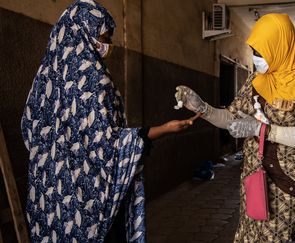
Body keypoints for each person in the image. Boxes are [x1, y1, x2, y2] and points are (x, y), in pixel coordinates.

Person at [20, 0, 196, 242]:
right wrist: (165, 129)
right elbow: (107, 145)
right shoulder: (93, 78)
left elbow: (29, 129)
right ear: (84, 32)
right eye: (105, 37)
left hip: (47, 200)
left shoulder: (45, 77)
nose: (109, 45)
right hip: (86, 202)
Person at [175, 13, 295, 242]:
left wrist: (262, 130)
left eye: (262, 52)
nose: (257, 58)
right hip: (254, 180)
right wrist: (202, 108)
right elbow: (231, 118)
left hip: (287, 183)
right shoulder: (256, 81)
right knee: (247, 237)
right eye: (254, 52)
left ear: (280, 46)